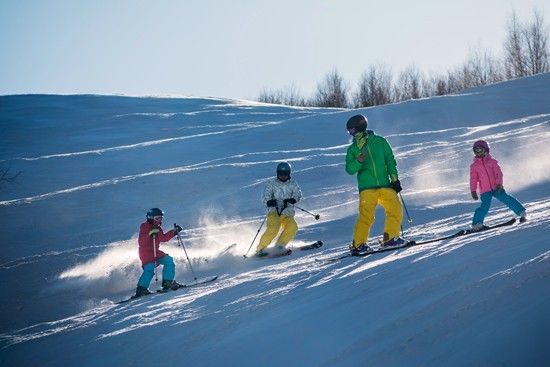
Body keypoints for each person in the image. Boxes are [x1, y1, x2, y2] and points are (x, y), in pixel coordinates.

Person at [345, 114, 404, 254]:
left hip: (385, 184)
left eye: (352, 130)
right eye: (349, 131)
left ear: (360, 127)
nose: (351, 134)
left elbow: (390, 161)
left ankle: (390, 238)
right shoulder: (353, 149)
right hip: (367, 187)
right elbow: (349, 169)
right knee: (366, 216)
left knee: (395, 208)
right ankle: (358, 244)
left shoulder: (380, 142)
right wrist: (358, 161)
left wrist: (394, 180)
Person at [469, 140, 526, 231]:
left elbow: (498, 174)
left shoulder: (492, 162)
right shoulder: (474, 166)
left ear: (486, 150)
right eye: (476, 150)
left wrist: (499, 184)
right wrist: (473, 190)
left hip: (496, 187)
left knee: (506, 198)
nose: (478, 152)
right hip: (485, 190)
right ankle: (477, 224)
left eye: (480, 150)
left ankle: (522, 212)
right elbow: (473, 179)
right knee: (484, 206)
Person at [255, 162, 302, 256]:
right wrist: (269, 202)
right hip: (274, 212)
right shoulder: (271, 183)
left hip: (287, 212)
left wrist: (293, 199)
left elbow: (298, 194)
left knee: (293, 227)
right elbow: (265, 196)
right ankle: (261, 249)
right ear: (277, 173)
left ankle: (279, 246)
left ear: (289, 174)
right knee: (273, 228)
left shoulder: (293, 184)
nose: (283, 176)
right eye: (280, 174)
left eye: (285, 174)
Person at [135, 208, 183, 297]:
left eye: (161, 218)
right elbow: (141, 242)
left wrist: (174, 232)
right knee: (149, 268)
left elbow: (163, 238)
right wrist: (150, 234)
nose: (159, 220)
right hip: (146, 253)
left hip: (156, 252)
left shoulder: (157, 228)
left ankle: (167, 282)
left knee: (168, 260)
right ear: (150, 217)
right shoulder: (145, 226)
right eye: (157, 218)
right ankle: (141, 289)